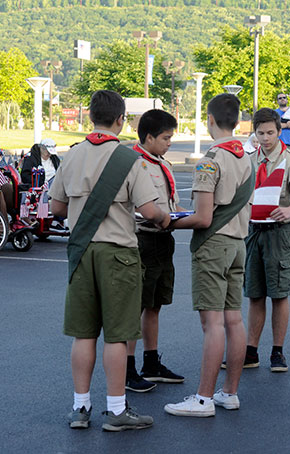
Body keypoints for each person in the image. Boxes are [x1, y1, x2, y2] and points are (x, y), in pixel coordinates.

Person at [49, 90, 171, 431]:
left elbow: (56, 208)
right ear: (120, 120)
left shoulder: (70, 157)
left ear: (90, 117)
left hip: (81, 252)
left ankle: (80, 408)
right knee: (117, 335)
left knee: (83, 334)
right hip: (118, 254)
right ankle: (116, 411)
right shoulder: (127, 158)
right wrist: (164, 217)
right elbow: (149, 210)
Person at [164, 94, 254, 417]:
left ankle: (202, 399)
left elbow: (203, 218)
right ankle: (229, 392)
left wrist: (170, 222)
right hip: (238, 243)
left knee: (212, 323)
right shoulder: (247, 157)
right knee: (234, 319)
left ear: (210, 120)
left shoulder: (210, 160)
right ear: (238, 120)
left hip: (213, 246)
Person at [242, 107, 290, 372]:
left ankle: (277, 352)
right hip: (254, 232)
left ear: (279, 132)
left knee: (279, 293)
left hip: (278, 232)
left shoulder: (289, 161)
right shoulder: (250, 160)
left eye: (270, 132)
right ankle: (250, 351)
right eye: (260, 133)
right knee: (255, 293)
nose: (266, 138)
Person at [125, 109, 185, 393]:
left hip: (164, 240)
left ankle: (151, 362)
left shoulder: (163, 163)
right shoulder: (134, 163)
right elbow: (137, 208)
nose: (169, 142)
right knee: (134, 306)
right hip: (142, 240)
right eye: (165, 137)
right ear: (148, 137)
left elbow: (170, 203)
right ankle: (127, 369)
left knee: (155, 304)